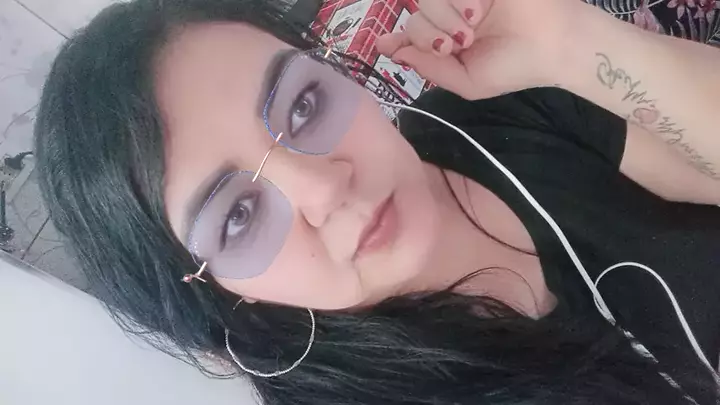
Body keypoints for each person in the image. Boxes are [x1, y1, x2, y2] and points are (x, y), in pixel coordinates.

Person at [33, 0, 720, 403]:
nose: (326, 187)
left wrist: (569, 43)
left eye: (303, 105)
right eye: (238, 216)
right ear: (214, 292)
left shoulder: (505, 107)